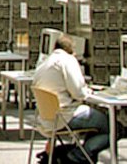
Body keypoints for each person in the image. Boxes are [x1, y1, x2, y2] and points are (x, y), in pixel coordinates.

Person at [33, 34, 110, 163]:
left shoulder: (44, 63)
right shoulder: (67, 60)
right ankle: (77, 156)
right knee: (112, 127)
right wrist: (90, 91)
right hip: (65, 117)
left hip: (46, 119)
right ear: (72, 50)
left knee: (97, 125)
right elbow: (79, 92)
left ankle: (82, 155)